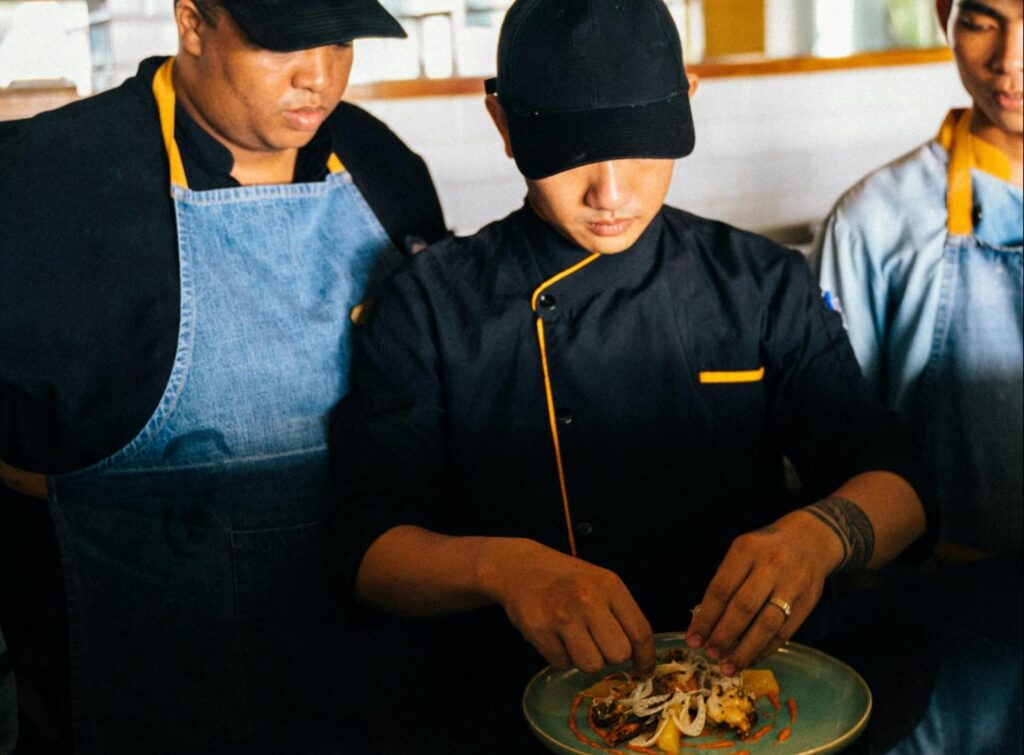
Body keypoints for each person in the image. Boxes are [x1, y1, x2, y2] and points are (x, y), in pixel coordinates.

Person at [332, 0, 930, 751]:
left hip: (739, 712)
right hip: (507, 709)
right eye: (572, 154)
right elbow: (368, 549)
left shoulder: (760, 283)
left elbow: (899, 480)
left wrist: (820, 535)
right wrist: (503, 566)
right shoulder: (432, 303)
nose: (610, 193)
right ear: (503, 122)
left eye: (640, 150)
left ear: (688, 100)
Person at [0, 0, 447, 752]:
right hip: (140, 682)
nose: (320, 77)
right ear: (193, 23)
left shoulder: (381, 166)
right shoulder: (42, 181)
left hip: (364, 681)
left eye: (340, 42)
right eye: (282, 44)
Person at [811, 1, 1022, 751]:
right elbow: (827, 455)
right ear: (943, 15)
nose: (1010, 60)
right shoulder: (874, 223)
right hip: (935, 644)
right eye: (983, 21)